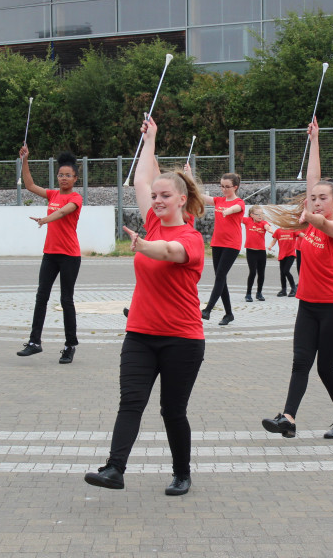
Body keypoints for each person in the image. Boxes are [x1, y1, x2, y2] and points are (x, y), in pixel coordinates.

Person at [84, 116, 206, 496]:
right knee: (131, 402)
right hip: (140, 333)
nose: (156, 200)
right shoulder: (152, 221)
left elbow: (170, 252)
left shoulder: (191, 237)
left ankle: (182, 472)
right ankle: (114, 469)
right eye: (155, 197)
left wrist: (142, 246)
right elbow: (141, 180)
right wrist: (150, 139)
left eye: (164, 196)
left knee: (173, 411)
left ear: (182, 199)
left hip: (182, 339)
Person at [262, 117, 333, 440]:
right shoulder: (310, 216)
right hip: (308, 305)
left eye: (323, 198)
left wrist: (312, 217)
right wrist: (314, 140)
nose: (316, 201)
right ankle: (287, 418)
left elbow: (327, 227)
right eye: (313, 198)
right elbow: (313, 178)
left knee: (325, 368)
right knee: (300, 362)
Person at [16, 146, 84, 364]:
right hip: (50, 254)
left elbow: (64, 211)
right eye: (61, 175)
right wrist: (25, 159)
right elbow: (29, 185)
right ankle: (34, 342)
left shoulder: (75, 198)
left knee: (66, 300)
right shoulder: (52, 194)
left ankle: (69, 345)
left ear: (75, 178)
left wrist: (45, 219)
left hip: (69, 256)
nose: (64, 178)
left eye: (68, 175)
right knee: (41, 296)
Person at [198, 169, 245, 325]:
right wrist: (189, 175)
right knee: (221, 278)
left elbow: (235, 209)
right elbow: (201, 196)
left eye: (227, 186)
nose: (224, 189)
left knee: (219, 276)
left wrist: (228, 210)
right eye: (222, 186)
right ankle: (229, 314)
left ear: (235, 187)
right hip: (217, 243)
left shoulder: (239, 203)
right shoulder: (218, 200)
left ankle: (207, 310)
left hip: (231, 245)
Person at [242, 206, 270, 302]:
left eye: (262, 214)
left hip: (261, 252)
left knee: (261, 273)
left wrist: (270, 229)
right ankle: (248, 294)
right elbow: (237, 218)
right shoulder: (248, 221)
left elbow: (267, 226)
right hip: (251, 251)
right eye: (258, 214)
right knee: (253, 272)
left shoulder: (264, 223)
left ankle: (259, 293)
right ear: (252, 215)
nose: (260, 216)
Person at [268, 226, 298, 297]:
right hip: (282, 254)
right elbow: (274, 240)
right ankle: (283, 290)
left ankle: (294, 288)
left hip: (291, 254)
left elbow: (301, 235)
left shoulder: (293, 229)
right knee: (282, 273)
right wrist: (270, 246)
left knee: (286, 271)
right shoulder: (278, 231)